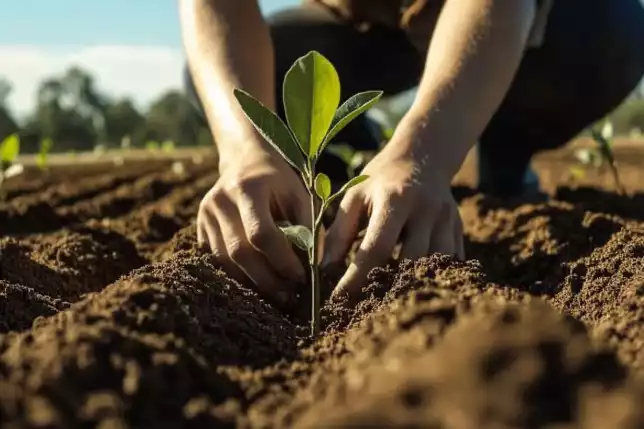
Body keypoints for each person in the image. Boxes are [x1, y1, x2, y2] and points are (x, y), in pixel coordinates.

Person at [179, 0, 644, 306]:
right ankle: (348, 173)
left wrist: (424, 152)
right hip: (361, 21)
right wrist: (247, 149)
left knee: (612, 34)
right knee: (226, 77)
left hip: (515, 22)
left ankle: (506, 149)